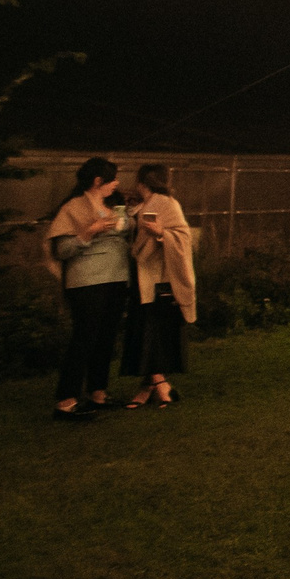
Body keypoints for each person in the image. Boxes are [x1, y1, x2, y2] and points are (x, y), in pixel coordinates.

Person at [44, 157, 135, 419]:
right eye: (112, 178)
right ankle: (66, 400)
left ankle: (98, 393)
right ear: (98, 181)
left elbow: (126, 230)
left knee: (105, 338)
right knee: (84, 338)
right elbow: (62, 250)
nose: (116, 183)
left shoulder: (112, 206)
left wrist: (129, 220)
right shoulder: (73, 208)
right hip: (87, 282)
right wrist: (89, 232)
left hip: (116, 279)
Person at [121, 163, 196, 406]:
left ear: (143, 182)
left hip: (159, 278)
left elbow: (183, 237)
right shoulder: (143, 204)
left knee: (153, 331)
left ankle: (157, 385)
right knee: (143, 330)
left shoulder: (166, 203)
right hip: (140, 276)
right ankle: (154, 384)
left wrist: (162, 232)